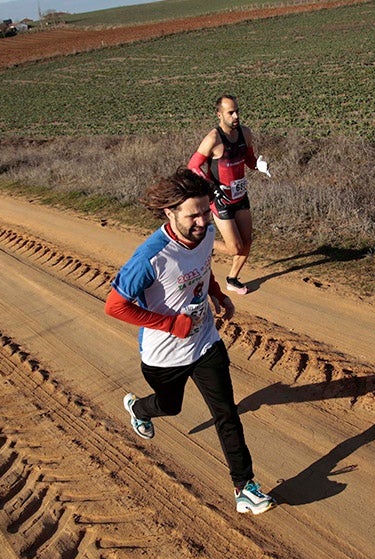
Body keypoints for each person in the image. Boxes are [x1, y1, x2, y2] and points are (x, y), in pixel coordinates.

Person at [105, 167, 274, 515]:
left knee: (227, 412)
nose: (201, 222)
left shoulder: (206, 233)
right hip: (164, 354)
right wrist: (169, 324)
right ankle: (138, 408)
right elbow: (115, 306)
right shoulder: (150, 257)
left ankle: (245, 488)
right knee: (170, 406)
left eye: (205, 211)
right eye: (192, 215)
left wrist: (217, 296)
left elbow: (203, 267)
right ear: (170, 213)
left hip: (205, 341)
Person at [187, 94, 271, 295]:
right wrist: (211, 187)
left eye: (237, 111)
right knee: (235, 248)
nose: (236, 116)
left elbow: (249, 160)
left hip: (240, 196)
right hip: (220, 200)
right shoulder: (213, 139)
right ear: (219, 115)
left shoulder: (245, 133)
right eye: (230, 112)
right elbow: (193, 166)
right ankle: (203, 242)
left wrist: (258, 165)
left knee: (247, 241)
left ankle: (232, 279)